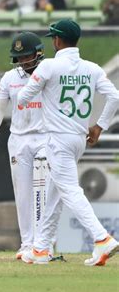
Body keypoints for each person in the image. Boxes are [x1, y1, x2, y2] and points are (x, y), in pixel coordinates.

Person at [18, 19, 119, 266]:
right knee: (55, 193)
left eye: (53, 37)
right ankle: (40, 248)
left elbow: (22, 99)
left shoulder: (49, 66)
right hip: (79, 139)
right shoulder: (92, 68)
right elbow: (115, 97)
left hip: (57, 140)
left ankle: (102, 238)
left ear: (57, 40)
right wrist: (99, 125)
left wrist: (37, 80)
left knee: (70, 191)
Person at [0, 32, 52, 260]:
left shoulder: (50, 73)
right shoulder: (9, 78)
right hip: (18, 139)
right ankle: (27, 244)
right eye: (20, 57)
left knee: (43, 191)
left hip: (45, 137)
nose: (24, 61)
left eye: (27, 56)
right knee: (23, 193)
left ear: (38, 53)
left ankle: (44, 243)